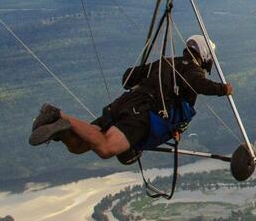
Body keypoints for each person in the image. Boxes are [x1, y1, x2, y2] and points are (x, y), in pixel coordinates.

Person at [29, 34, 233, 162]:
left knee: (80, 145)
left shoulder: (165, 62)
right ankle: (59, 115)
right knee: (107, 148)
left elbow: (128, 78)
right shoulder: (192, 70)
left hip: (124, 102)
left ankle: (61, 131)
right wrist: (223, 89)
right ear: (205, 57)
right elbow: (198, 84)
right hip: (143, 111)